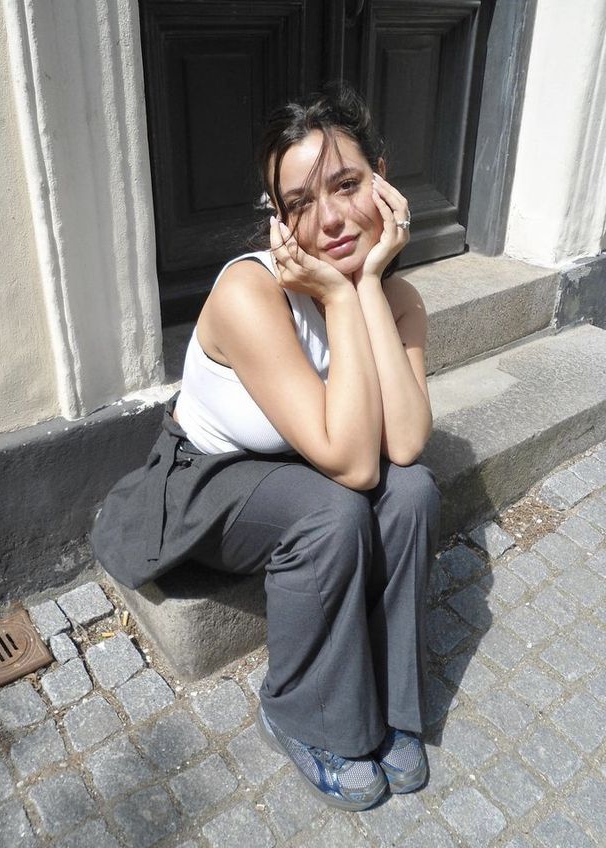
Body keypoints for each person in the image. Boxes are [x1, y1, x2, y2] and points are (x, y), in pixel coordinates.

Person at [91, 84, 441, 811]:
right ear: (277, 220)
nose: (333, 220)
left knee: (414, 492)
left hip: (309, 462)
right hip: (209, 479)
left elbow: (402, 447)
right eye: (300, 203)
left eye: (346, 185)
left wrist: (368, 285)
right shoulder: (250, 297)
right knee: (333, 510)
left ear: (382, 176)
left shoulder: (398, 299)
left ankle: (393, 703)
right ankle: (302, 712)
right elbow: (352, 465)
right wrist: (340, 300)